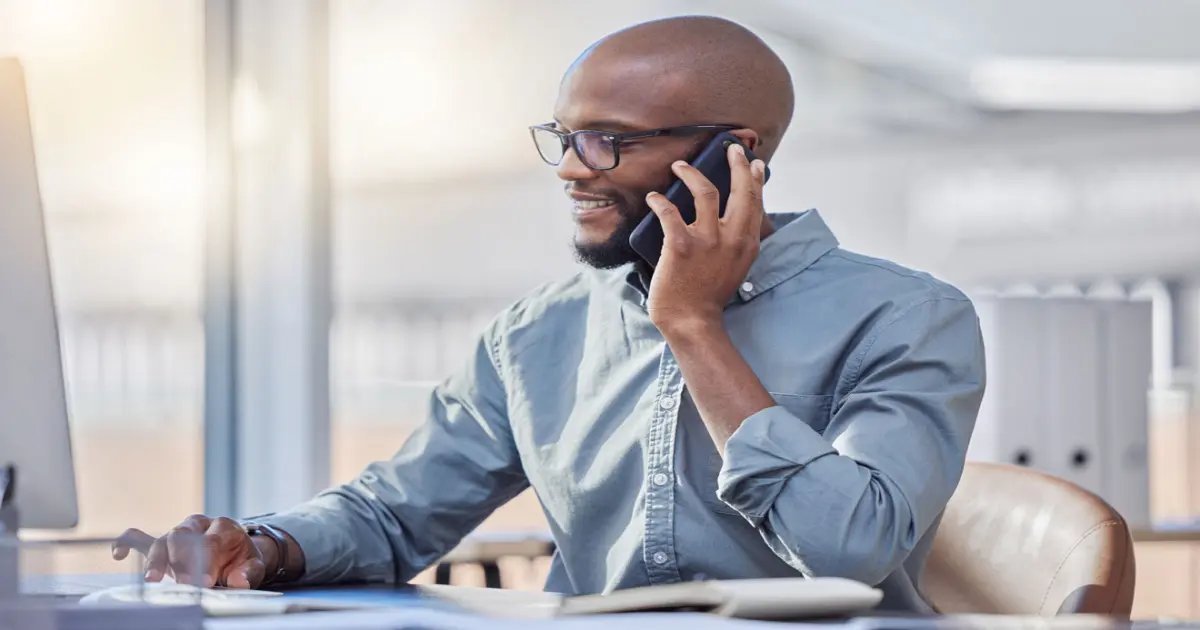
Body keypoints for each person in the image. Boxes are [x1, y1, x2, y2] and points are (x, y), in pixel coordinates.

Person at [113, 15, 985, 612]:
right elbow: (397, 514)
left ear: (733, 155)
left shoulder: (908, 318)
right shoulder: (540, 332)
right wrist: (268, 545)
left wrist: (693, 328)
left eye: (609, 139)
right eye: (564, 137)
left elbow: (851, 549)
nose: (572, 169)